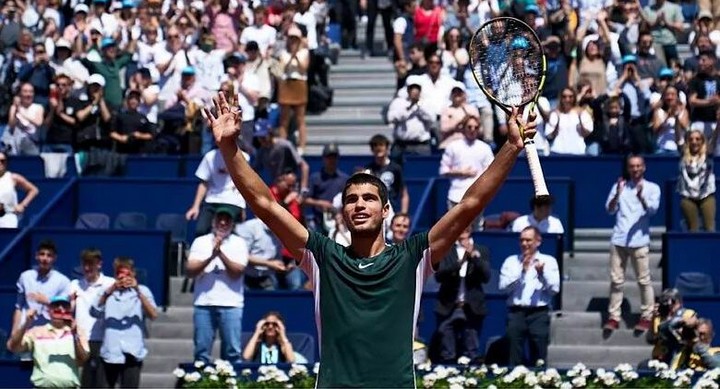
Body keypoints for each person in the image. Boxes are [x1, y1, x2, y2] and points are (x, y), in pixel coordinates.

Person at [201, 91, 536, 387]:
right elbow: (265, 204)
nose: (359, 204)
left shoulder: (412, 257)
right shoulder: (322, 255)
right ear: (343, 212)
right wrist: (230, 148)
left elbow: (470, 204)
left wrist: (510, 147)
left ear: (386, 209)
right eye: (351, 199)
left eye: (369, 198)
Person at [603, 155, 661, 332]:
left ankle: (647, 316)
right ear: (628, 168)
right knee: (616, 281)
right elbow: (609, 209)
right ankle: (614, 316)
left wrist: (641, 197)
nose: (635, 169)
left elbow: (652, 211)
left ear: (644, 167)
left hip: (640, 242)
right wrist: (618, 194)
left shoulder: (652, 188)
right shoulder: (619, 186)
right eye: (632, 166)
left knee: (644, 281)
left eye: (638, 166)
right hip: (619, 240)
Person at [186, 207, 248, 364]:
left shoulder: (239, 243)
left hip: (231, 304)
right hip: (204, 303)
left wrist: (220, 254)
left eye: (227, 220)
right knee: (201, 351)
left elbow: (237, 272)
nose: (222, 223)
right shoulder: (200, 242)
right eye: (219, 219)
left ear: (232, 224)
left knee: (232, 352)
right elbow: (190, 270)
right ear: (213, 221)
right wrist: (211, 256)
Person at [499, 226, 560, 367]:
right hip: (516, 312)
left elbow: (554, 289)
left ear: (538, 241)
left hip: (538, 313)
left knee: (539, 355)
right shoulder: (511, 261)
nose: (524, 244)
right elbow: (503, 288)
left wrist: (542, 275)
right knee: (513, 353)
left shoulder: (549, 261)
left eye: (528, 240)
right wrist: (521, 272)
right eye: (522, 240)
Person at [94, 257, 157, 388]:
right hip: (111, 350)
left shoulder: (143, 290)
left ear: (133, 274)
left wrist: (138, 291)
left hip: (132, 350)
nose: (124, 279)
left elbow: (153, 314)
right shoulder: (107, 291)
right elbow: (94, 312)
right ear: (115, 275)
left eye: (128, 274)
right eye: (120, 274)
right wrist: (109, 292)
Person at [434, 226, 491, 364]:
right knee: (447, 349)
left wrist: (474, 258)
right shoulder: (446, 249)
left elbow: (486, 276)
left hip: (472, 307)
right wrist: (460, 263)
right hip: (449, 305)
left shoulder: (481, 250)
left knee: (471, 350)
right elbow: (439, 275)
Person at [6, 296, 90, 388]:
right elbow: (13, 347)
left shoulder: (78, 332)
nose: (60, 308)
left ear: (69, 310)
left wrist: (75, 335)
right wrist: (26, 324)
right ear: (48, 311)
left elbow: (84, 358)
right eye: (56, 306)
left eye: (64, 306)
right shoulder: (36, 332)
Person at [65, 249, 115, 388]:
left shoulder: (110, 283)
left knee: (101, 383)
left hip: (103, 339)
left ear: (99, 264)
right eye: (84, 264)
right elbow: (68, 309)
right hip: (81, 340)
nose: (87, 268)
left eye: (91, 264)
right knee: (82, 382)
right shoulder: (74, 285)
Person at [439, 115, 494, 231]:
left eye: (475, 127)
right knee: (453, 229)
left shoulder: (485, 148)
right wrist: (461, 172)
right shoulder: (453, 146)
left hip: (477, 197)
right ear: (463, 128)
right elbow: (443, 170)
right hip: (455, 195)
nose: (472, 130)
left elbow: (491, 172)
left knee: (476, 228)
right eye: (469, 127)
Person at [185, 147, 250, 237]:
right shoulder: (209, 157)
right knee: (201, 230)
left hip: (233, 201)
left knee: (231, 233)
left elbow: (244, 184)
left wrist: (243, 207)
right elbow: (204, 182)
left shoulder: (244, 157)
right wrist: (195, 207)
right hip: (212, 200)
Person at [12, 241, 70, 337]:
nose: (45, 259)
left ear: (54, 258)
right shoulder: (25, 277)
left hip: (48, 333)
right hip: (26, 330)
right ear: (36, 256)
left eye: (49, 255)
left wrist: (46, 301)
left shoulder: (63, 281)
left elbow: (64, 312)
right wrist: (14, 332)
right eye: (42, 254)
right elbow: (19, 307)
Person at [676, 127, 717, 232]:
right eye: (691, 139)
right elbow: (678, 138)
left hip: (706, 195)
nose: (694, 142)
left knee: (710, 229)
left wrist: (718, 123)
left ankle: (710, 248)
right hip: (688, 196)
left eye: (698, 139)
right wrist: (676, 119)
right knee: (693, 229)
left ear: (703, 141)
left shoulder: (708, 155)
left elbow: (714, 139)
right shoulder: (683, 155)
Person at [302, 143, 349, 235]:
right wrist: (320, 203)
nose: (332, 160)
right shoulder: (315, 178)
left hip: (340, 222)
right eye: (329, 157)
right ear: (323, 158)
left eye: (334, 157)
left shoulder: (344, 179)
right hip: (319, 222)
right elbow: (304, 200)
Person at [647, 288, 697, 363]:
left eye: (673, 301)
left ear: (680, 302)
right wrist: (653, 318)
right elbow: (650, 339)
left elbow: (692, 332)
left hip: (680, 354)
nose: (670, 304)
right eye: (666, 301)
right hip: (661, 355)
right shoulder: (659, 318)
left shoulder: (688, 314)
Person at [366, 133, 409, 214]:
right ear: (372, 149)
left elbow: (404, 193)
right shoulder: (368, 169)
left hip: (391, 209)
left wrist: (404, 213)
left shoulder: (395, 168)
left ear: (387, 147)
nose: (378, 148)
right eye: (375, 145)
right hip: (373, 210)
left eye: (381, 145)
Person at [0, 151, 39, 228]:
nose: (0, 163)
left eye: (2, 161)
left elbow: (34, 190)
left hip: (8, 217)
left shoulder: (13, 177)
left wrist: (23, 205)